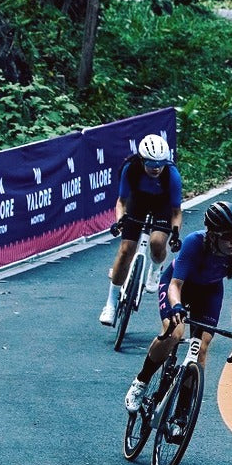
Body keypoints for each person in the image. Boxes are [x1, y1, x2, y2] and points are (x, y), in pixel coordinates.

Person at [123, 200, 232, 412]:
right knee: (174, 333)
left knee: (200, 347)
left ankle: (182, 412)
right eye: (228, 236)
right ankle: (142, 380)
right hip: (179, 286)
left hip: (209, 291)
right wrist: (176, 307)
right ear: (212, 235)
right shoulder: (194, 243)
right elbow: (175, 285)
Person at [99, 133, 183, 326]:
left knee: (157, 242)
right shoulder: (131, 168)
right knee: (126, 250)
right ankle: (110, 304)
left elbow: (176, 211)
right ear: (142, 160)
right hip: (138, 202)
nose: (157, 169)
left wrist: (175, 233)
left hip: (162, 205)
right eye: (152, 165)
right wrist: (120, 221)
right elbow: (121, 202)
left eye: (161, 164)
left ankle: (155, 268)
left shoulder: (172, 175)